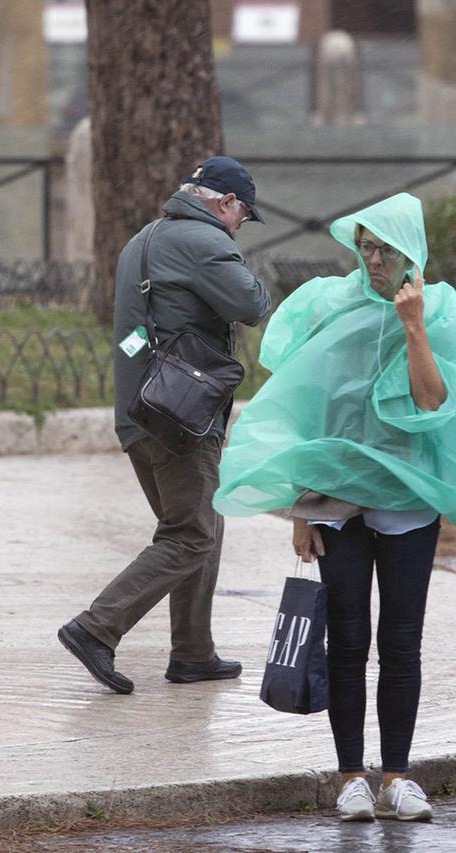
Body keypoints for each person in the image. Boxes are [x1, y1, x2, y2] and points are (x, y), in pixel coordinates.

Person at [216, 194, 456, 822]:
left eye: (387, 250)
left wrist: (413, 324)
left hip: (408, 498)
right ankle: (351, 777)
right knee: (346, 638)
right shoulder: (329, 303)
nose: (374, 260)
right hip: (335, 499)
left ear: (412, 253)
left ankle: (397, 776)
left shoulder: (440, 311)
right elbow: (306, 406)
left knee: (401, 641)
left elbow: (433, 402)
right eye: (366, 247)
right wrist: (301, 509)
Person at [58, 156, 271, 694]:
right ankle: (97, 627)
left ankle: (193, 653)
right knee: (192, 535)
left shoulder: (143, 239)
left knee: (200, 526)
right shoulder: (205, 241)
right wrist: (253, 275)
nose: (240, 226)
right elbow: (250, 303)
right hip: (183, 416)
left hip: (141, 412)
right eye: (243, 216)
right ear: (227, 203)